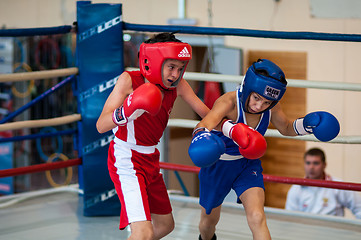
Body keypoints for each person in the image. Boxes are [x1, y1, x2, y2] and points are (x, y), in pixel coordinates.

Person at [188, 59, 340, 240]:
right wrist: (202, 138)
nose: (260, 106)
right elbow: (205, 124)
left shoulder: (272, 107)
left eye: (267, 102)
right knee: (208, 223)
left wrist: (306, 125)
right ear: (247, 88)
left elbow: (286, 128)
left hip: (247, 165)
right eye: (256, 98)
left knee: (257, 217)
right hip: (219, 165)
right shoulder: (228, 102)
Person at [96, 32, 210, 240]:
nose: (175, 74)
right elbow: (101, 125)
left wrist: (231, 129)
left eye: (180, 68)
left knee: (165, 225)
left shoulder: (178, 85)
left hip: (151, 159)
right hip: (126, 159)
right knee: (143, 233)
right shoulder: (129, 80)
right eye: (171, 67)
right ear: (155, 62)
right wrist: (127, 110)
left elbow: (207, 114)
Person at [285, 147, 361, 219]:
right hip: (305, 231)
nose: (311, 167)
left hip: (332, 231)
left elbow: (359, 208)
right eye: (308, 163)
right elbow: (290, 218)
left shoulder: (337, 186)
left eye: (316, 163)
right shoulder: (296, 188)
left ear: (324, 165)